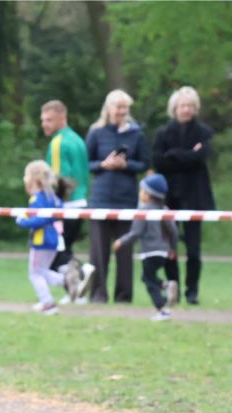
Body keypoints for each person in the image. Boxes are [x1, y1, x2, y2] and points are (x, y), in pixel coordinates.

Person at [84, 90, 150, 303]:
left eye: (125, 107)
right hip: (100, 199)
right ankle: (98, 294)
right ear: (108, 108)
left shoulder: (137, 134)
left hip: (126, 199)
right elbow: (86, 163)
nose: (122, 111)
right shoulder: (96, 132)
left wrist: (126, 165)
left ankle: (124, 296)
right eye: (118, 107)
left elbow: (144, 163)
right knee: (98, 251)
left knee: (125, 249)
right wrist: (103, 164)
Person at [152, 86, 216, 305]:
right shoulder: (163, 133)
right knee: (169, 246)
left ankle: (192, 291)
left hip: (195, 197)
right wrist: (187, 155)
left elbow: (200, 157)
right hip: (169, 197)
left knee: (193, 249)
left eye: (190, 106)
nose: (186, 110)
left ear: (195, 108)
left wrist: (174, 154)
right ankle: (174, 288)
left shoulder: (203, 132)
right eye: (182, 106)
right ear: (175, 108)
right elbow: (159, 161)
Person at [40, 99, 91, 300]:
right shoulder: (78, 140)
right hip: (81, 203)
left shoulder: (58, 142)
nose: (44, 124)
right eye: (43, 120)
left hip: (65, 206)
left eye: (49, 120)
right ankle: (77, 292)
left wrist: (53, 207)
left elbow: (59, 179)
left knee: (55, 254)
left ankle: (82, 275)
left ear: (62, 118)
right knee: (64, 249)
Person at [112, 173, 180, 321]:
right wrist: (173, 248)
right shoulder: (165, 209)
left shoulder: (143, 212)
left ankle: (162, 310)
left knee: (150, 282)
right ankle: (166, 285)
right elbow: (174, 231)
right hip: (163, 253)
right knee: (146, 276)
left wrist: (121, 241)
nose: (140, 193)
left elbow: (136, 232)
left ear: (148, 194)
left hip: (149, 253)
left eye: (141, 190)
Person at [15, 161, 70, 316]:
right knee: (42, 271)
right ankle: (68, 281)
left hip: (41, 240)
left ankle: (48, 303)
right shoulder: (51, 196)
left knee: (35, 273)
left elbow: (40, 219)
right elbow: (59, 209)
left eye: (26, 175)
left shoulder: (36, 198)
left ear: (32, 178)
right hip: (53, 239)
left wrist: (22, 221)